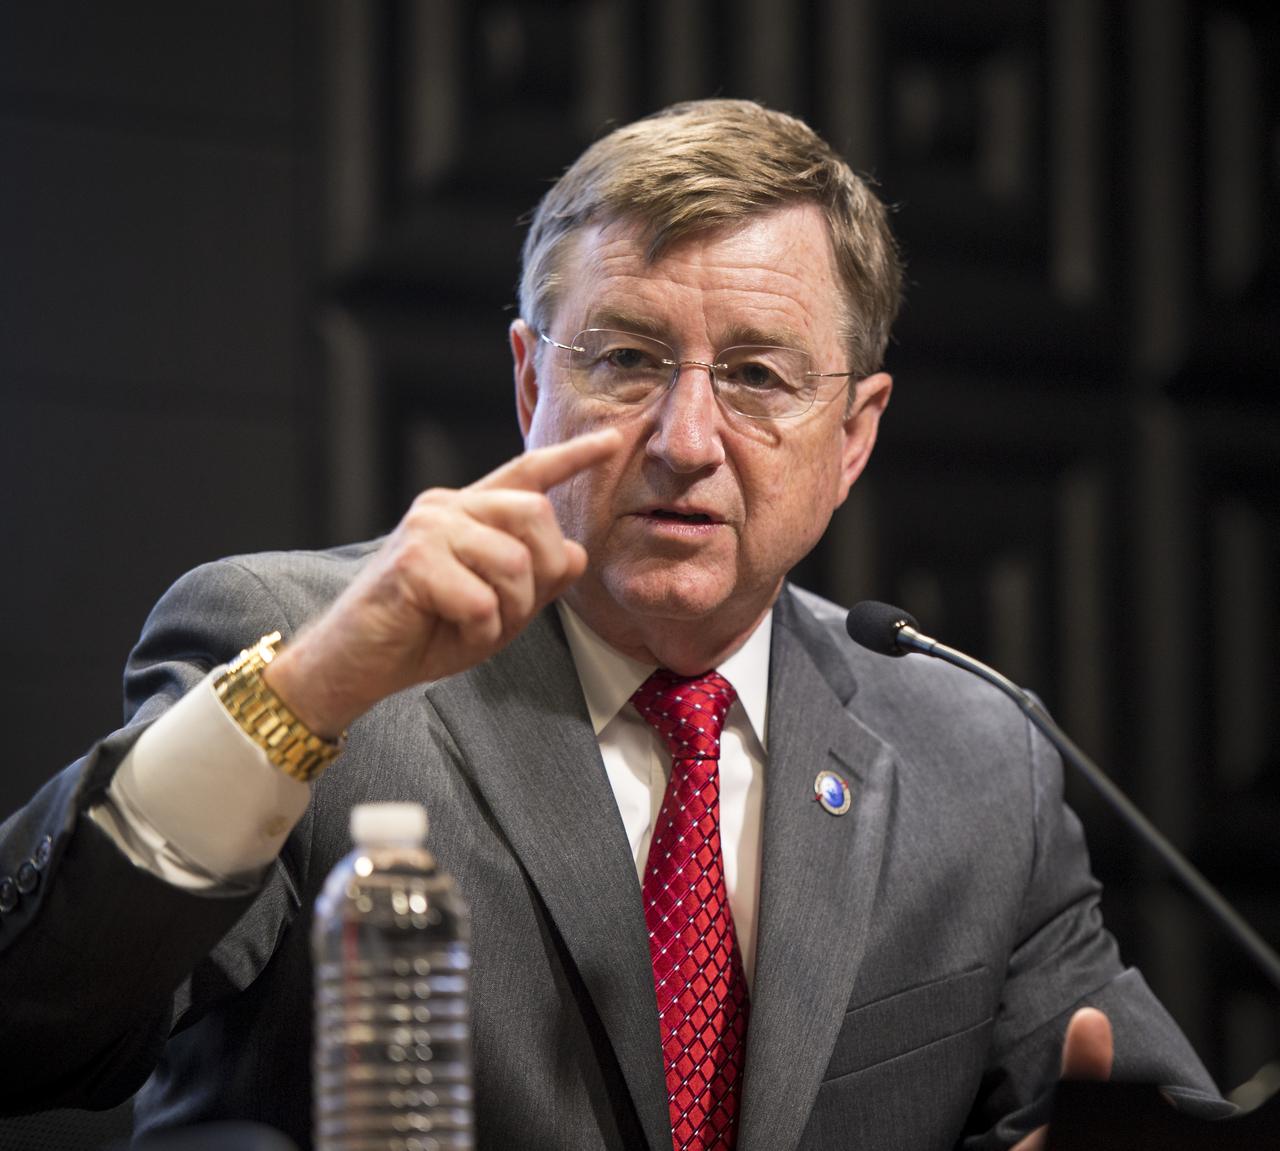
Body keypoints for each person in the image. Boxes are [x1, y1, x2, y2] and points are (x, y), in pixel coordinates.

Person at [0, 99, 1227, 1151]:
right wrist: (307, 695)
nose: (685, 440)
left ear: (851, 436)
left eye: (755, 375)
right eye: (628, 358)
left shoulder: (971, 754)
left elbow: (1150, 1108)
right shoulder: (299, 652)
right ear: (532, 383)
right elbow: (32, 1028)